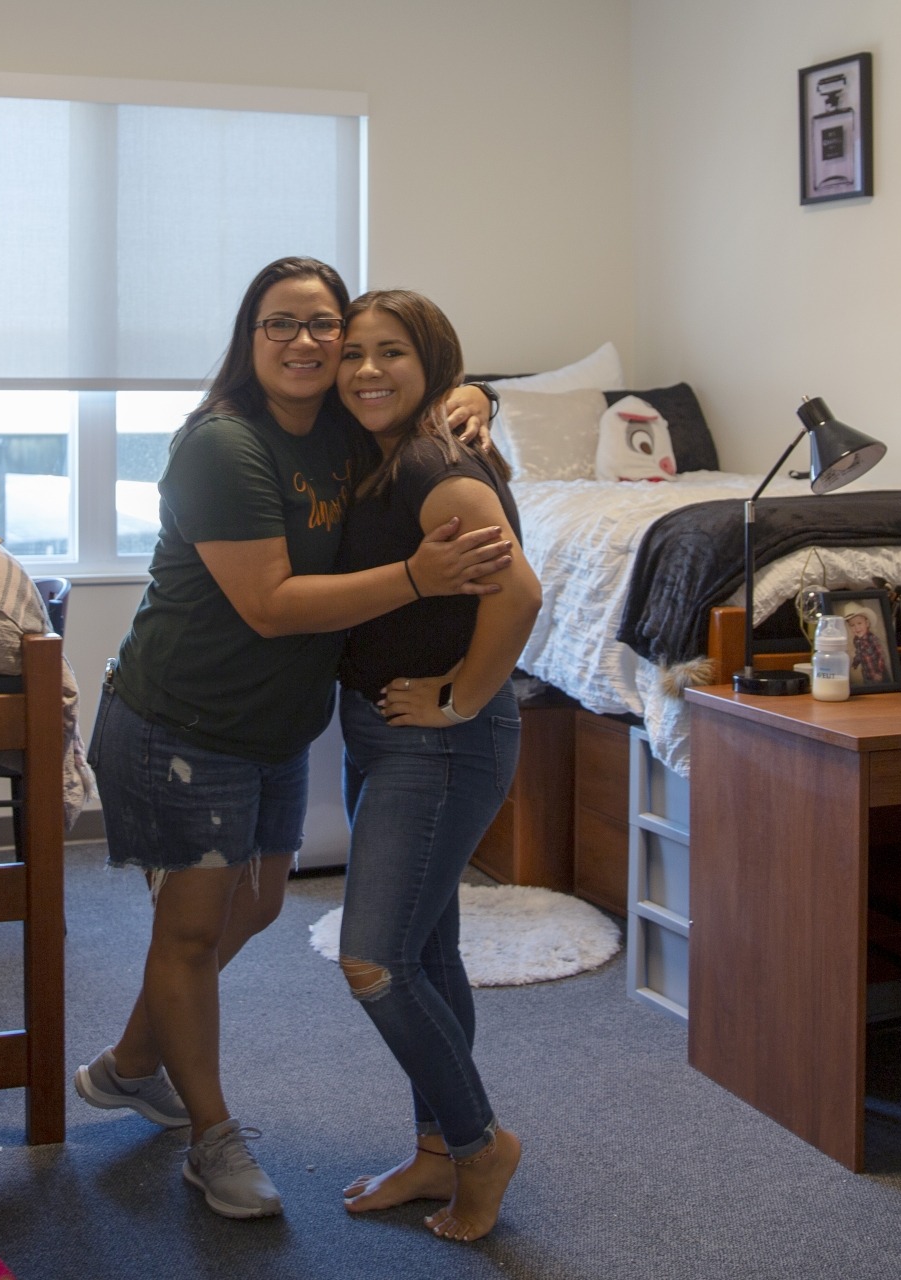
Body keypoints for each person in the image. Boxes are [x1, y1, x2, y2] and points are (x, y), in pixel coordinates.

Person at [78, 257, 509, 1220]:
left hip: (274, 729)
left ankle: (134, 1064)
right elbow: (271, 606)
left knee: (261, 904)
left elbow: (411, 392)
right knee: (190, 930)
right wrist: (417, 577)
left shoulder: (343, 439)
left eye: (328, 326)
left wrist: (467, 394)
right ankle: (212, 1140)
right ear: (251, 337)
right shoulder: (223, 446)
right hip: (182, 722)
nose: (311, 343)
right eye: (284, 324)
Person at [329, 289, 540, 1243]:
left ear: (434, 366)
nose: (367, 369)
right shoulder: (384, 456)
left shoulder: (430, 460)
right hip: (385, 730)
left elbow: (519, 594)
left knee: (373, 960)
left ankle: (479, 1142)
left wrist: (459, 697)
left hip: (439, 742)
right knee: (426, 951)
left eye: (393, 354)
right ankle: (434, 1152)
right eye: (354, 353)